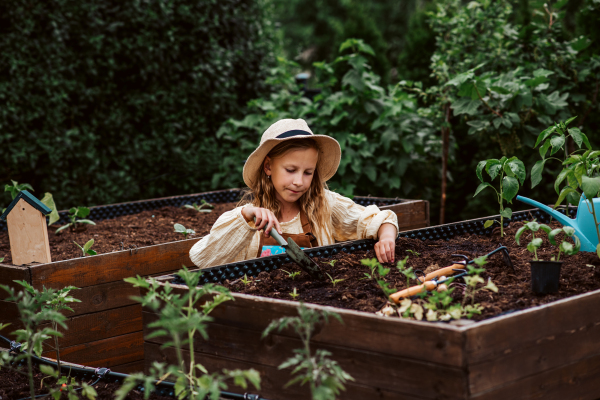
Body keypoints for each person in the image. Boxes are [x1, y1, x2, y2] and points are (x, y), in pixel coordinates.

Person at [189, 118, 398, 269]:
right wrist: (247, 214)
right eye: (291, 170)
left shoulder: (324, 206)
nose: (299, 181)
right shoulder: (247, 220)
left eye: (308, 172)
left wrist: (386, 237)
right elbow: (203, 258)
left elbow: (376, 219)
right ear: (268, 166)